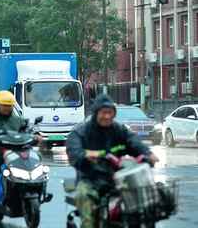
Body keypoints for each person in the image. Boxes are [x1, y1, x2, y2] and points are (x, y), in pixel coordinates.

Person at [66, 94, 159, 228]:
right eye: (104, 112)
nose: (107, 116)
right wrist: (86, 155)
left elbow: (133, 141)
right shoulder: (81, 132)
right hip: (90, 179)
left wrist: (147, 153)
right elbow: (74, 152)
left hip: (117, 178)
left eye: (110, 113)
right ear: (96, 113)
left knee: (142, 206)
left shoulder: (118, 129)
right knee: (85, 198)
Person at [0, 90, 41, 205]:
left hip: (16, 151)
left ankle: (36, 187)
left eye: (9, 106)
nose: (7, 108)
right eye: (4, 106)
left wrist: (35, 137)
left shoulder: (19, 120)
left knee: (37, 156)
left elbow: (28, 132)